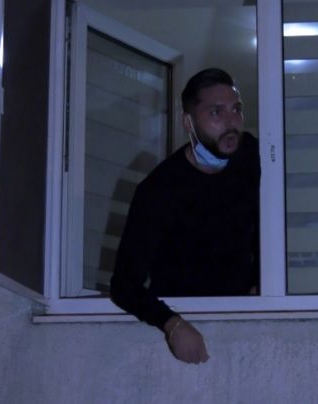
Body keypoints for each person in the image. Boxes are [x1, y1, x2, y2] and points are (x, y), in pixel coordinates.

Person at [110, 68, 260, 364]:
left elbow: (270, 230)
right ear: (188, 122)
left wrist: (262, 281)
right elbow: (124, 285)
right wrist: (172, 325)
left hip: (247, 322)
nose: (231, 122)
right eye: (216, 112)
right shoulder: (159, 189)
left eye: (237, 109)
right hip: (187, 322)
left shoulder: (252, 156)